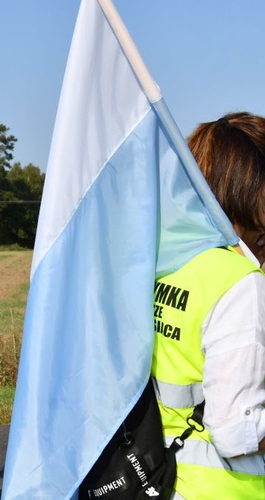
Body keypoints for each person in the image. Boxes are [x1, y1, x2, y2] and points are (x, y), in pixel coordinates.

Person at [152, 112, 265, 499]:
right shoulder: (239, 281)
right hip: (219, 489)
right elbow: (237, 430)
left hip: (156, 479)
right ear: (247, 189)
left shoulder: (164, 265)